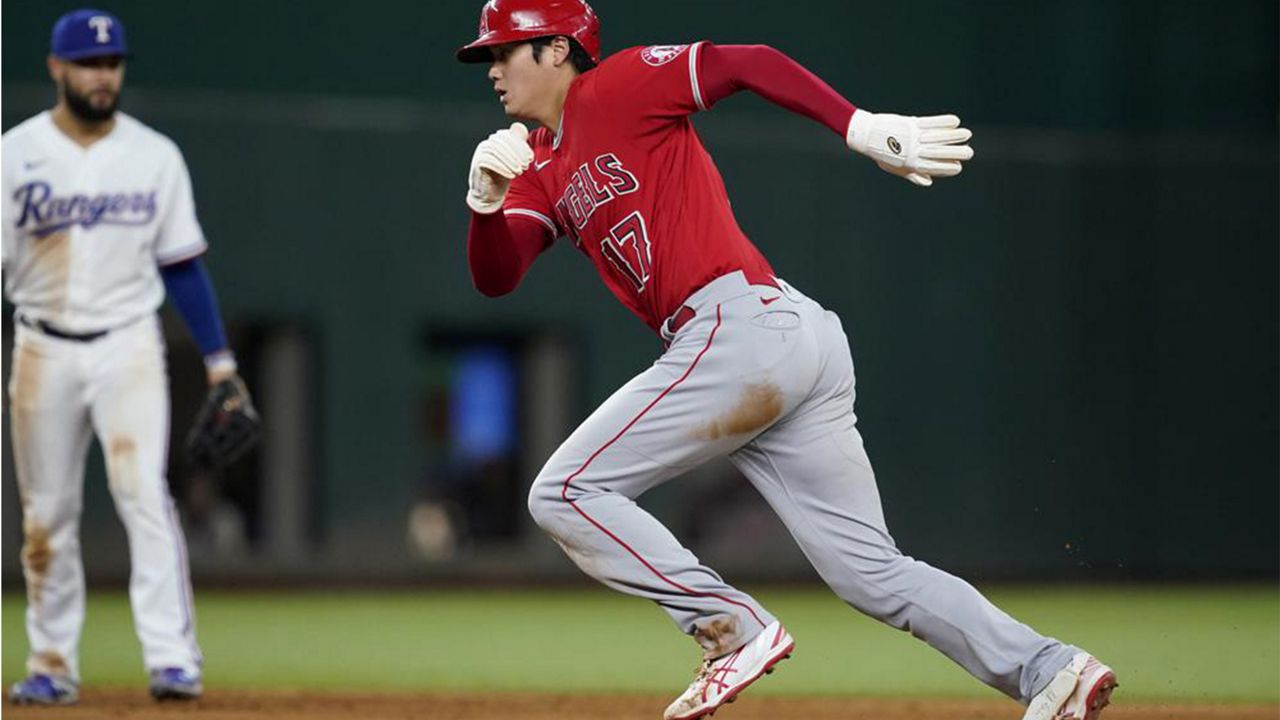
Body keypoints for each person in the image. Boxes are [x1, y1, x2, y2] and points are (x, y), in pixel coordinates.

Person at [456, 2, 1118, 719]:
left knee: (564, 492)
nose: (492, 69)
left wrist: (856, 124)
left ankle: (732, 630)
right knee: (872, 574)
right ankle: (1051, 669)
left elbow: (747, 63)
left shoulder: (613, 86)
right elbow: (498, 275)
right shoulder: (538, 166)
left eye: (505, 51)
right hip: (780, 341)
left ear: (558, 50)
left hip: (739, 327)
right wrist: (484, 202)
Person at [3, 8, 250, 705]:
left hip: (128, 344)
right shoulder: (14, 156)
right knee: (45, 514)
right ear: (57, 68)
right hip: (41, 345)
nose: (102, 75)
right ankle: (51, 663)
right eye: (87, 63)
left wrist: (219, 360)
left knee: (145, 494)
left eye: (111, 64)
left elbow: (182, 267)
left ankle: (174, 660)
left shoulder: (155, 155)